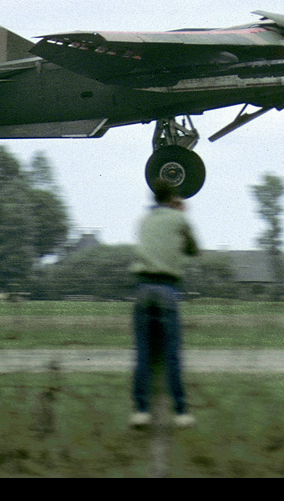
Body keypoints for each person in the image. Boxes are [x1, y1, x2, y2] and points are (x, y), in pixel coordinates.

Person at [129, 179, 200, 429]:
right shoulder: (179, 219)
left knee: (143, 355)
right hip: (167, 289)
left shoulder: (144, 220)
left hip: (143, 288)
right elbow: (193, 250)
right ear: (173, 198)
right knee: (172, 354)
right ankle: (180, 411)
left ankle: (141, 410)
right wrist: (181, 214)